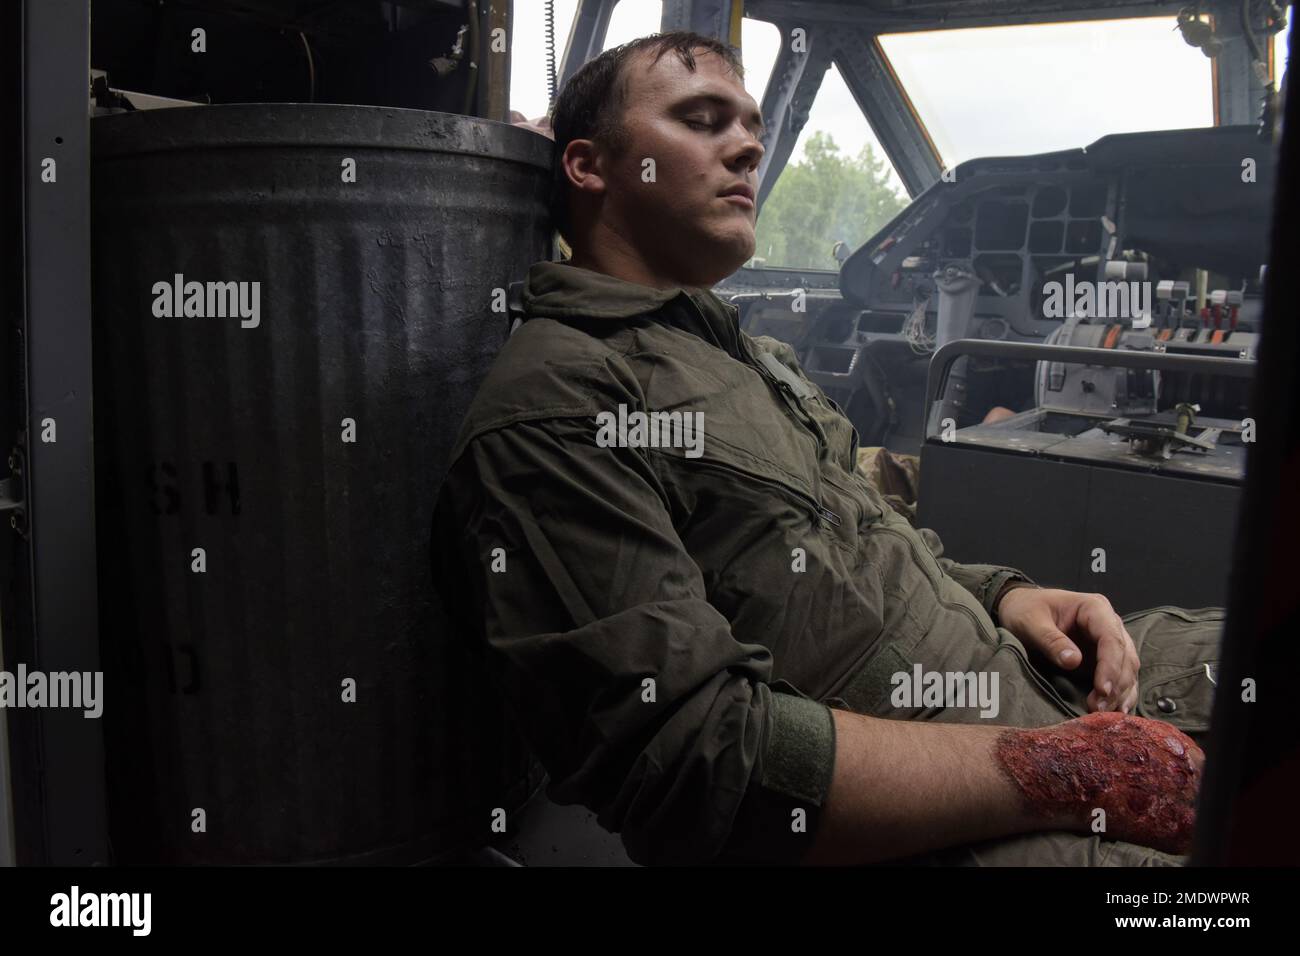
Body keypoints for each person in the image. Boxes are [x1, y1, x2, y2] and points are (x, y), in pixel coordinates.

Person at [432, 31, 1221, 866]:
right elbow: (698, 760)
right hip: (916, 807)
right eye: (701, 120)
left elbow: (868, 546)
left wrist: (1002, 597)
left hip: (1023, 687)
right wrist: (1057, 769)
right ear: (589, 167)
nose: (746, 147)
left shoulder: (749, 357)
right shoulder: (562, 405)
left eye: (752, 127)